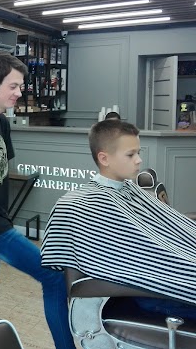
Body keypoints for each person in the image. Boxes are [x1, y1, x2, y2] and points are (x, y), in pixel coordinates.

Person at [0, 53, 75, 349]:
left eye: (21, 86)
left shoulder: (1, 122)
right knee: (53, 278)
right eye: (13, 86)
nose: (20, 92)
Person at [41, 119, 196, 319]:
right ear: (104, 159)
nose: (139, 160)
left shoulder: (130, 189)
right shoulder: (81, 204)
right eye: (131, 155)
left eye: (138, 153)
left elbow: (167, 230)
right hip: (154, 293)